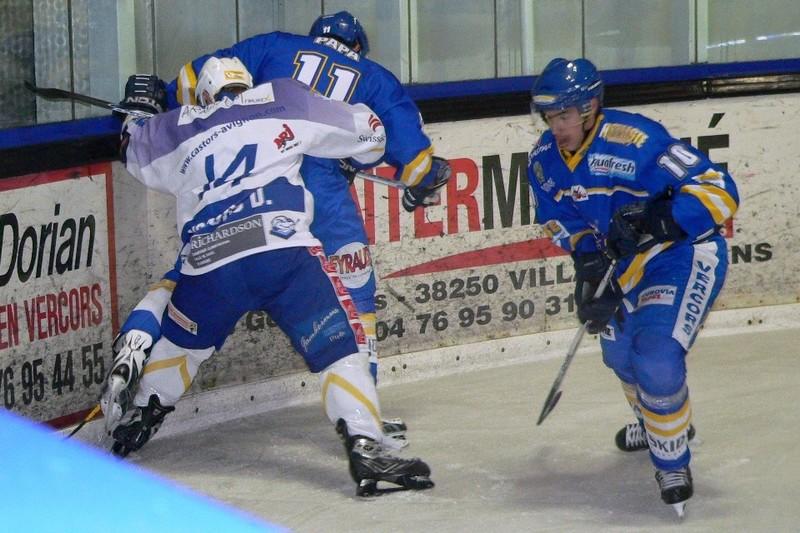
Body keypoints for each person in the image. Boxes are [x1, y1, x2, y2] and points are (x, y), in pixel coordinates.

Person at [102, 57, 434, 496]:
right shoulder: (282, 96)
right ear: (246, 83)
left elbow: (133, 150)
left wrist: (137, 112)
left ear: (204, 94)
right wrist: (350, 155)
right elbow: (371, 133)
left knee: (183, 347)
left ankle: (140, 416)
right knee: (341, 349)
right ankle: (365, 444)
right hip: (283, 253)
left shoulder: (178, 125)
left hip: (210, 266)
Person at [527, 58, 739, 516]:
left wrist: (658, 218)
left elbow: (720, 190)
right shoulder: (543, 160)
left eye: (564, 115)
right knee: (619, 355)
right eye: (549, 116)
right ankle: (657, 420)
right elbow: (557, 217)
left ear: (590, 108)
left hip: (680, 255)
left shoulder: (637, 141)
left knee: (655, 355)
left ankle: (671, 462)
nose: (555, 126)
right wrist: (587, 259)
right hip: (623, 266)